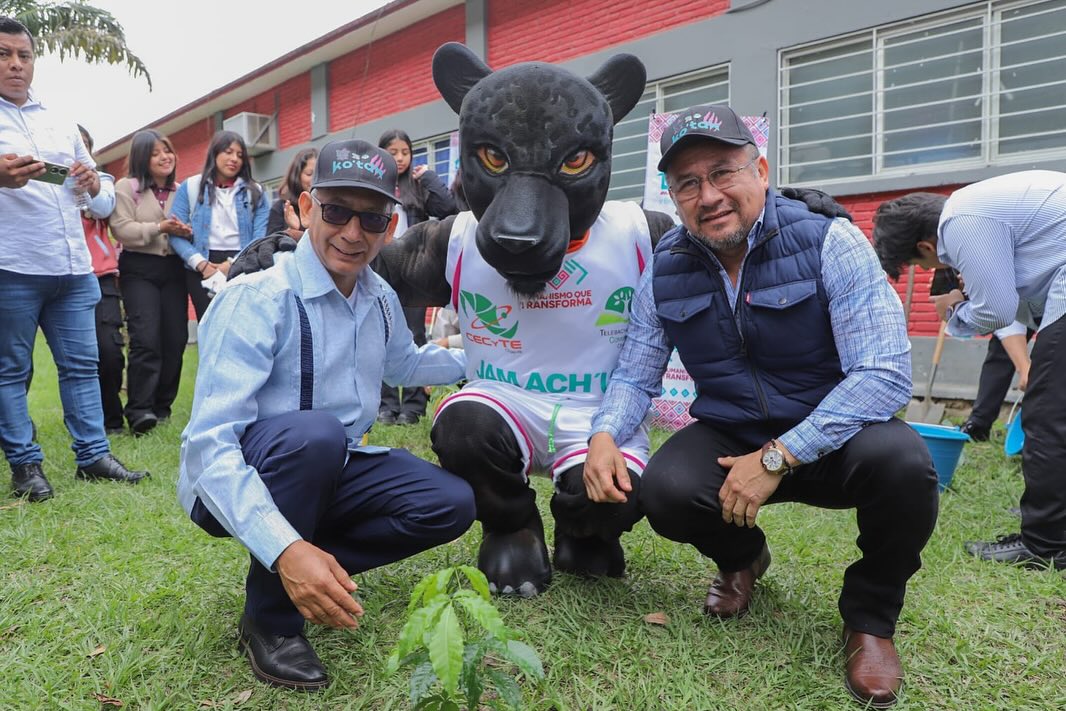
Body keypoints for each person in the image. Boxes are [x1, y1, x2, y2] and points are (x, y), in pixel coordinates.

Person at [585, 104, 939, 708]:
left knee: (905, 465)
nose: (709, 196)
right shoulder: (665, 268)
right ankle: (743, 558)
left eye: (723, 172)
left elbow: (882, 375)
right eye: (688, 183)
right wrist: (605, 435)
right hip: (732, 431)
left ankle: (870, 620)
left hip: (833, 433)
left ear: (762, 170)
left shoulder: (830, 240)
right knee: (667, 490)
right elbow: (635, 373)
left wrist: (778, 457)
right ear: (674, 196)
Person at [178, 138, 475, 691]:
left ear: (390, 225)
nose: (353, 233)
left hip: (331, 464)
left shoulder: (379, 296)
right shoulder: (257, 298)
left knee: (450, 503)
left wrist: (488, 361)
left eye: (372, 218)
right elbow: (208, 447)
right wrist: (286, 549)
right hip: (241, 477)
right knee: (316, 435)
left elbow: (405, 363)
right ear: (307, 207)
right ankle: (270, 619)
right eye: (337, 211)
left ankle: (312, 568)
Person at [873, 173, 1066, 571]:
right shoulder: (976, 209)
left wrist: (955, 313)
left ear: (926, 246)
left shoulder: (961, 222)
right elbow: (1016, 303)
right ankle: (1053, 514)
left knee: (1046, 416)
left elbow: (996, 310)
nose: (933, 268)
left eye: (919, 263)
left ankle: (1045, 543)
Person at [0, 16, 150, 501]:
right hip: (11, 266)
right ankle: (25, 466)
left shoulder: (59, 120)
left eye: (24, 55)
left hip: (72, 267)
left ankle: (93, 456)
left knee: (84, 366)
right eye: (4, 54)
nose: (16, 64)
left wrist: (93, 185)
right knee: (9, 371)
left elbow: (102, 201)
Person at [109, 129, 193, 435]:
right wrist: (160, 227)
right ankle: (139, 409)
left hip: (174, 269)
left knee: (175, 338)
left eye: (167, 151)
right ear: (143, 158)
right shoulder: (127, 187)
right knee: (145, 338)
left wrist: (186, 231)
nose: (164, 157)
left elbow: (193, 225)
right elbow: (121, 228)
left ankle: (162, 408)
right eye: (156, 153)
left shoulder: (181, 191)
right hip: (138, 268)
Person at [376, 129, 457, 426]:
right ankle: (386, 405)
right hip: (380, 268)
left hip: (412, 270)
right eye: (393, 152)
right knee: (380, 335)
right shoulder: (376, 185)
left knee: (414, 335)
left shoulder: (419, 185)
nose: (400, 158)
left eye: (405, 152)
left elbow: (450, 210)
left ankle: (413, 406)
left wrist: (430, 179)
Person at [169, 130, 270, 320]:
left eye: (240, 155)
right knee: (209, 323)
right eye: (228, 152)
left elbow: (260, 237)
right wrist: (201, 265)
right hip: (201, 264)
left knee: (244, 323)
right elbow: (174, 233)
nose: (234, 159)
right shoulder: (191, 186)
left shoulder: (256, 191)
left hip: (242, 263)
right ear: (214, 153)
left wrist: (232, 265)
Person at [76, 125, 125, 435]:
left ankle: (112, 419)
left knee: (109, 351)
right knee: (79, 358)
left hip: (101, 276)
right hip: (63, 275)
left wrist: (86, 182)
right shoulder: (43, 180)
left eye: (83, 145)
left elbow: (102, 206)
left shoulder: (102, 180)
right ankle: (83, 423)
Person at [961, 321, 1032, 441]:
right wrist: (1023, 367)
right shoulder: (1004, 314)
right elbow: (1007, 328)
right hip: (1020, 314)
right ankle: (978, 424)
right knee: (1004, 347)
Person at [266, 147, 316, 240]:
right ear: (297, 176)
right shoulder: (281, 208)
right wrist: (292, 231)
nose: (314, 179)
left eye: (318, 174)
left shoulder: (327, 207)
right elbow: (271, 244)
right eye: (309, 174)